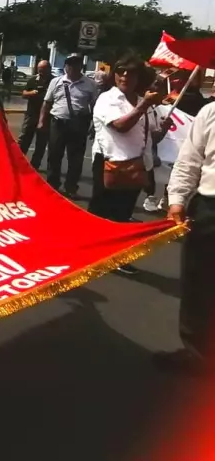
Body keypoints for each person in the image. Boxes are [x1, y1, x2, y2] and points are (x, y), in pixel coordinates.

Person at [88, 56, 164, 273]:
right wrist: (144, 105)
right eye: (121, 71)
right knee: (102, 213)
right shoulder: (108, 99)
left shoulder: (141, 100)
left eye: (131, 73)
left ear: (139, 78)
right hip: (110, 163)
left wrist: (162, 129)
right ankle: (96, 252)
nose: (125, 77)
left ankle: (115, 256)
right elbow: (120, 126)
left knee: (123, 213)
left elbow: (148, 137)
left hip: (135, 166)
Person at [159, 100, 215, 374]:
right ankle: (197, 353)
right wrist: (177, 199)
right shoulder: (210, 112)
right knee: (198, 282)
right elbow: (189, 160)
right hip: (209, 209)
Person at [40, 54, 100, 198]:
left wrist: (95, 125)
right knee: (54, 156)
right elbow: (47, 103)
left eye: (76, 64)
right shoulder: (56, 81)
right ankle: (52, 185)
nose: (72, 67)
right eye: (69, 64)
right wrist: (42, 120)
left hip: (79, 124)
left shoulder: (90, 84)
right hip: (58, 122)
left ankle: (71, 187)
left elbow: (96, 106)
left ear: (81, 67)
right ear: (65, 66)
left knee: (76, 159)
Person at [19, 61, 52, 169]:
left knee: (41, 143)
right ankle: (18, 161)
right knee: (24, 139)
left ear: (49, 69)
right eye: (39, 69)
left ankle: (34, 165)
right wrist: (32, 93)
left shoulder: (54, 81)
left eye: (43, 70)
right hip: (31, 114)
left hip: (46, 116)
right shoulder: (33, 80)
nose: (40, 72)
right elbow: (23, 94)